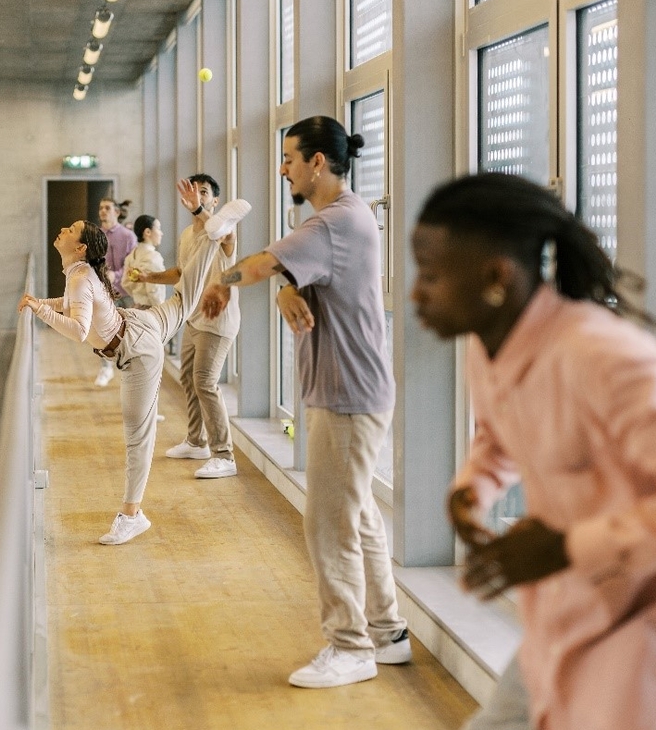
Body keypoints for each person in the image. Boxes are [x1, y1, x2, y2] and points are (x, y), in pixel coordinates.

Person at [409, 172, 656, 730]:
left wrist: (571, 547)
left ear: (495, 278)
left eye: (432, 276)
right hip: (574, 617)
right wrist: (472, 489)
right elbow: (499, 433)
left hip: (655, 645)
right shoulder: (490, 346)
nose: (415, 293)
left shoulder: (599, 357)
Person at [200, 116, 409, 689]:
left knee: (328, 525)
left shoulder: (334, 221)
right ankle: (387, 632)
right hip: (351, 391)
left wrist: (224, 280)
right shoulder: (346, 219)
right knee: (357, 514)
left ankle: (350, 647)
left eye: (290, 158)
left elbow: (263, 261)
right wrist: (289, 288)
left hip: (346, 396)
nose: (284, 167)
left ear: (318, 162)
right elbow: (294, 271)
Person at [20, 183, 251, 545]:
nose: (62, 230)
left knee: (137, 437)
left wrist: (41, 311)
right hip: (138, 324)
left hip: (137, 348)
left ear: (79, 247)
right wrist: (42, 302)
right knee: (185, 295)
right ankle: (213, 236)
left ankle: (132, 514)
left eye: (70, 230)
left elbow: (79, 330)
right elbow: (75, 303)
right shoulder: (79, 272)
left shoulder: (79, 275)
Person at [134, 174, 241, 480]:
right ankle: (197, 441)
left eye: (204, 192)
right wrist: (148, 278)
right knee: (188, 378)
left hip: (218, 321)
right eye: (194, 192)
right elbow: (182, 272)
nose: (199, 196)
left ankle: (225, 455)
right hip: (193, 318)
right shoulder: (185, 235)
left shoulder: (224, 230)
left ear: (214, 200)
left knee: (205, 381)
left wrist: (198, 211)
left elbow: (221, 235)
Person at [94, 197, 138, 388]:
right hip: (105, 293)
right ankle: (105, 367)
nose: (103, 211)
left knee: (132, 331)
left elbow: (133, 264)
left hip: (126, 291)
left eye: (107, 208)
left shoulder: (128, 236)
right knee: (101, 330)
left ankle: (133, 370)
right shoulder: (96, 236)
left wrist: (116, 275)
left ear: (116, 212)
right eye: (101, 208)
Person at [123, 215, 166, 308]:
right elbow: (153, 289)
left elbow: (125, 283)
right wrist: (161, 309)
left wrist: (138, 297)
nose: (161, 233)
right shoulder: (153, 257)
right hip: (152, 308)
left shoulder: (131, 256)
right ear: (148, 232)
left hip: (137, 306)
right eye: (158, 229)